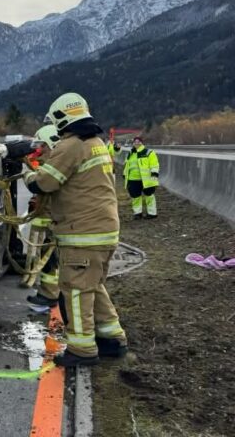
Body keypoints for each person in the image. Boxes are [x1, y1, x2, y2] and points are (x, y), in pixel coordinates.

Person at [24, 92, 128, 367]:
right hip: (103, 231)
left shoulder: (71, 145)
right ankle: (112, 338)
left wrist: (26, 173)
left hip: (83, 234)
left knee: (77, 291)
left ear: (61, 118)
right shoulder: (96, 143)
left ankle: (82, 350)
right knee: (93, 286)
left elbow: (45, 183)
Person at [25, 124, 61, 313]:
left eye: (44, 147)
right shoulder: (55, 164)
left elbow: (40, 184)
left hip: (65, 224)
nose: (40, 151)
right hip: (58, 223)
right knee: (50, 257)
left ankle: (52, 296)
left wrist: (28, 175)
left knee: (55, 259)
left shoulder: (57, 168)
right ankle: (49, 294)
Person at [123, 136, 160, 219]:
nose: (137, 143)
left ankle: (152, 213)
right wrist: (125, 174)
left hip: (146, 179)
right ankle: (137, 213)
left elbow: (154, 164)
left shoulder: (148, 152)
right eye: (135, 141)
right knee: (135, 197)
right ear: (133, 143)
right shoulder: (130, 153)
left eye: (139, 141)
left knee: (149, 196)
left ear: (142, 143)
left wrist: (154, 173)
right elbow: (127, 165)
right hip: (133, 179)